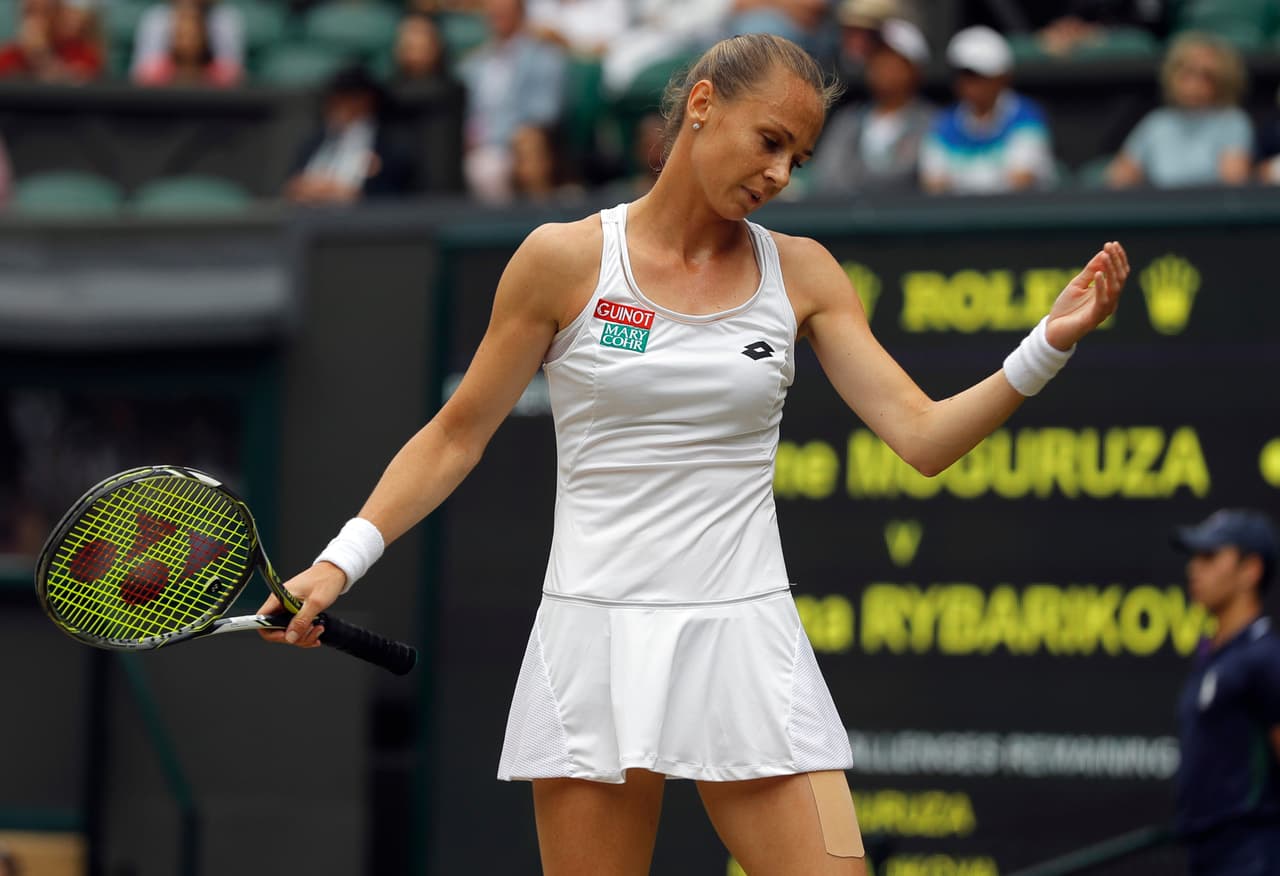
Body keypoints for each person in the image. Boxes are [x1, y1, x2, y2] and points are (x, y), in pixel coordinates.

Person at [261, 32, 1129, 875]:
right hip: (595, 637)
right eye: (771, 142)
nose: (781, 174)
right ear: (704, 105)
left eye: (799, 158)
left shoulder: (805, 272)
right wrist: (339, 562)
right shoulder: (562, 259)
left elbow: (924, 437)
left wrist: (1045, 346)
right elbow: (456, 436)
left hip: (748, 637)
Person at [1172, 508, 1280, 876]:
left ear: (1251, 570)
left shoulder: (1266, 659)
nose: (1194, 569)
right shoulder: (1214, 658)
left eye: (1209, 556)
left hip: (1253, 856)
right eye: (1195, 557)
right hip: (1210, 855)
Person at [921, 25, 1057, 195]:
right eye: (965, 75)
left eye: (980, 75)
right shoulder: (942, 124)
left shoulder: (1027, 116)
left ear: (1002, 78)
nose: (972, 84)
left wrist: (959, 182)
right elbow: (935, 185)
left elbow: (1021, 181)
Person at [1107, 32, 1251, 190]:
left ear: (1223, 80)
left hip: (1209, 204)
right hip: (1161, 203)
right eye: (1187, 73)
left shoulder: (1232, 121)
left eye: (1206, 76)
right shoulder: (1157, 122)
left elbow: (1233, 183)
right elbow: (1119, 177)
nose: (1194, 85)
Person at [810, 17, 935, 195]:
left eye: (892, 61)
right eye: (876, 59)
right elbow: (827, 177)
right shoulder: (848, 120)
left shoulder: (933, 123)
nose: (882, 68)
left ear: (915, 70)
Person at [458, 0, 567, 202]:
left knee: (491, 166)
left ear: (520, 14)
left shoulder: (543, 56)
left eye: (505, 12)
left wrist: (504, 137)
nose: (498, 18)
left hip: (516, 142)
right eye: (494, 13)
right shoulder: (474, 63)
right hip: (477, 145)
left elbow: (546, 111)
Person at [284, 65, 413, 204]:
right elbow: (292, 185)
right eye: (335, 98)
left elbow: (397, 194)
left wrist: (352, 193)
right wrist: (308, 189)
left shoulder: (390, 144)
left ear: (368, 100)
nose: (340, 104)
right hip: (309, 214)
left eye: (349, 98)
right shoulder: (314, 141)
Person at [130, 0, 243, 85]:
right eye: (181, 34)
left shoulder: (222, 76)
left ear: (205, 36)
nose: (188, 40)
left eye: (194, 34)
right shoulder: (154, 75)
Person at [0, 0, 104, 82]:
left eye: (45, 11)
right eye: (30, 11)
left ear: (57, 14)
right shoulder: (9, 55)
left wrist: (41, 56)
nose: (36, 20)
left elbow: (78, 86)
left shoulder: (80, 52)